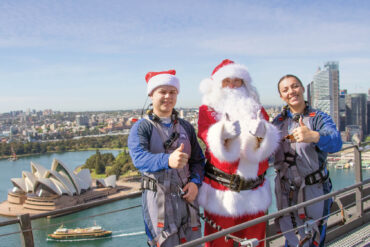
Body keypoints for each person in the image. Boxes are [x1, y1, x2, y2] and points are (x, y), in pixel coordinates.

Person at [197, 59, 280, 247]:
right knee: (219, 243)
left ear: (245, 84)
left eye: (238, 81)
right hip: (222, 192)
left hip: (254, 190)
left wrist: (261, 136)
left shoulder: (257, 109)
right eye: (227, 81)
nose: (233, 85)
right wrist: (223, 134)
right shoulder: (207, 110)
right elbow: (205, 134)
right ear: (218, 85)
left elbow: (265, 146)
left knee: (255, 240)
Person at [128, 69, 205, 247]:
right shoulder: (141, 128)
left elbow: (198, 161)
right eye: (162, 91)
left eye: (172, 92)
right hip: (157, 202)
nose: (167, 96)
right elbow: (139, 159)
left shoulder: (185, 127)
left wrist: (195, 183)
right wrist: (167, 160)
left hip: (187, 199)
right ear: (151, 94)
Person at [272, 74, 342, 247]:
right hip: (286, 192)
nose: (291, 92)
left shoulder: (318, 118)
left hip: (314, 190)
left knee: (312, 240)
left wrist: (314, 136)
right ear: (281, 96)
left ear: (303, 89)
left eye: (295, 86)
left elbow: (336, 141)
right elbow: (263, 146)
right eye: (285, 89)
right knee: (292, 239)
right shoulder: (278, 122)